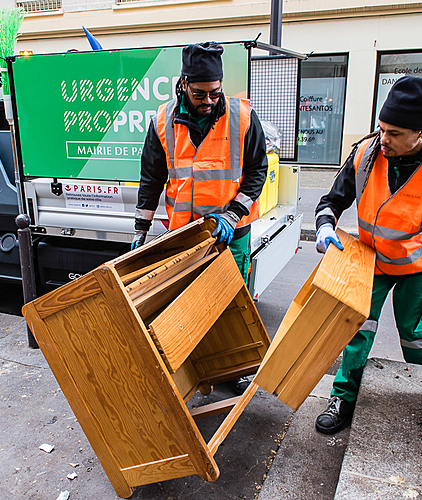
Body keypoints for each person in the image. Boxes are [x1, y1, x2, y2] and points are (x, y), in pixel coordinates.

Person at [313, 75, 422, 434]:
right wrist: (325, 226)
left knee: (417, 336)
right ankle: (342, 397)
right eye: (381, 128)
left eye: (395, 133)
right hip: (369, 261)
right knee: (356, 330)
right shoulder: (367, 153)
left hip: (416, 266)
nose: (383, 138)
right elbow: (332, 201)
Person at [132, 41, 268, 394]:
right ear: (183, 85)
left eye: (214, 93)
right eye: (199, 94)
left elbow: (257, 171)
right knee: (188, 304)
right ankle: (194, 366)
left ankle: (231, 369)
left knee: (229, 304)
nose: (208, 101)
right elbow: (151, 177)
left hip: (230, 232)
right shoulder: (162, 121)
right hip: (186, 235)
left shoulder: (242, 117)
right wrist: (141, 228)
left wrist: (234, 213)